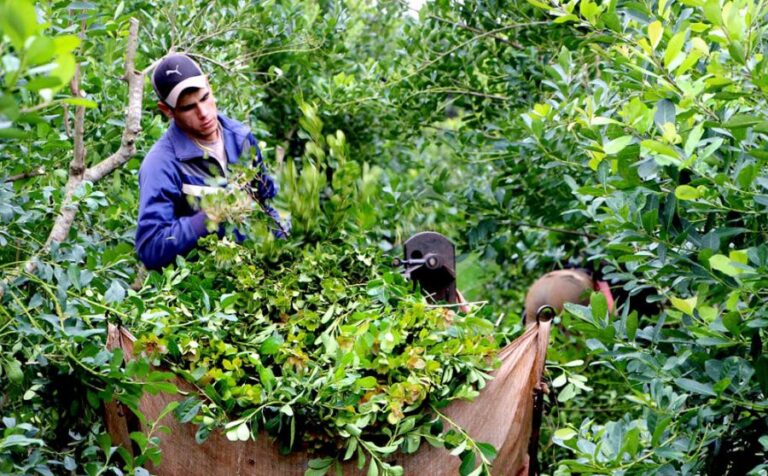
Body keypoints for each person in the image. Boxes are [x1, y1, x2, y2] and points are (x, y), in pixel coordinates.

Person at [135, 53, 282, 270]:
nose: (203, 113)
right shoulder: (162, 164)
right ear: (167, 110)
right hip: (201, 286)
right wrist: (208, 217)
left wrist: (282, 243)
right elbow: (150, 247)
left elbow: (267, 200)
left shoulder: (240, 138)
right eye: (188, 107)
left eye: (204, 98)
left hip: (251, 274)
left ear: (208, 85)